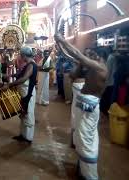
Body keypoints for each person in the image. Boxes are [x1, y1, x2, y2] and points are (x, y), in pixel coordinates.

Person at [55, 33, 108, 180]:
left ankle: (89, 175)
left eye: (92, 55)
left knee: (86, 139)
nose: (89, 57)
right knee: (81, 136)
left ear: (99, 56)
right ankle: (83, 169)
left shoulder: (101, 67)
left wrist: (62, 40)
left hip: (89, 106)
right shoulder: (94, 66)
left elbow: (77, 54)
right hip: (84, 104)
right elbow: (73, 68)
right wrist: (62, 46)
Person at [2, 47, 38, 144]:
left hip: (28, 93)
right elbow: (20, 74)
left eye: (20, 55)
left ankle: (28, 138)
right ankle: (22, 135)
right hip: (23, 92)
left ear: (23, 55)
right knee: (23, 113)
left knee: (28, 114)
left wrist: (9, 85)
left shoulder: (31, 65)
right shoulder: (28, 64)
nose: (20, 56)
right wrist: (9, 76)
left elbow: (24, 78)